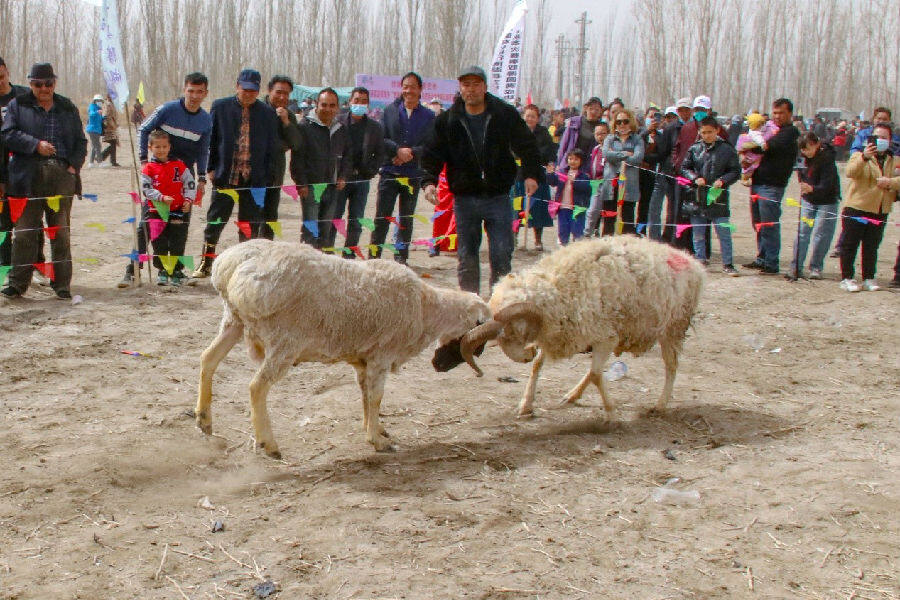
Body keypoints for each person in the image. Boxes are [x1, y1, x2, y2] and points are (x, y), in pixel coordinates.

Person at [421, 65, 540, 294]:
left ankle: (499, 304)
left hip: (498, 197)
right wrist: (428, 182)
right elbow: (432, 153)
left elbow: (527, 145)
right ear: (460, 88)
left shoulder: (504, 115)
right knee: (466, 258)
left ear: (485, 87)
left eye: (476, 84)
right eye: (466, 84)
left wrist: (532, 174)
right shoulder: (448, 120)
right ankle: (470, 308)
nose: (471, 89)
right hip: (465, 199)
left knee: (502, 254)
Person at [0, 63, 86, 300]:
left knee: (60, 232)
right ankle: (17, 284)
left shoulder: (67, 106)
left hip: (61, 178)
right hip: (26, 179)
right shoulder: (18, 105)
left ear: (54, 83)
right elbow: (7, 135)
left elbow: (81, 141)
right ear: (30, 83)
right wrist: (35, 145)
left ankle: (61, 285)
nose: (44, 88)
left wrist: (72, 166)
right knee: (26, 232)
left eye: (48, 83)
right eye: (38, 84)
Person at [119, 72, 212, 287]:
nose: (194, 96)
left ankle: (176, 270)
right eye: (191, 91)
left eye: (199, 92)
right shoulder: (167, 110)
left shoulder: (206, 120)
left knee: (180, 227)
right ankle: (133, 270)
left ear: (205, 94)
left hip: (183, 177)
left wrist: (201, 179)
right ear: (184, 90)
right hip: (158, 174)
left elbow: (204, 150)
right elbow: (144, 129)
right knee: (146, 226)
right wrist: (144, 159)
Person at [192, 69, 278, 277]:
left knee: (247, 224)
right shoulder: (220, 107)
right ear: (237, 86)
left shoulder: (267, 113)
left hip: (253, 178)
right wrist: (210, 169)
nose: (248, 93)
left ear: (258, 91)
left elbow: (271, 148)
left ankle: (244, 264)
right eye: (244, 88)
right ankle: (206, 262)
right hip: (225, 175)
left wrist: (266, 176)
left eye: (253, 90)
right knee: (215, 220)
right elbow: (211, 140)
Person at [369, 71, 435, 264]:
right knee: (382, 217)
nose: (409, 90)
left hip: (412, 175)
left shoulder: (429, 116)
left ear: (420, 89)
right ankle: (375, 256)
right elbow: (381, 138)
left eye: (413, 86)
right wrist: (396, 151)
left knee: (406, 219)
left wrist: (410, 153)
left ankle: (401, 258)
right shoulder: (389, 111)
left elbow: (430, 145)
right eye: (405, 86)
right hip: (389, 173)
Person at [837, 123, 899, 292]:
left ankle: (869, 277)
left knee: (872, 246)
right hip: (857, 207)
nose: (880, 140)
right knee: (850, 244)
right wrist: (864, 157)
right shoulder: (859, 155)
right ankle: (847, 277)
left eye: (884, 137)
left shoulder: (894, 159)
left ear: (890, 140)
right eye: (877, 137)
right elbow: (850, 172)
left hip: (880, 209)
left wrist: (891, 182)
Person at [679, 116, 741, 276]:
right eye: (703, 132)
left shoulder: (727, 149)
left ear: (717, 130)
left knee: (723, 232)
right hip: (697, 197)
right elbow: (684, 167)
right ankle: (700, 260)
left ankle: (728, 263)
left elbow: (735, 171)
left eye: (710, 132)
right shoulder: (694, 149)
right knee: (698, 233)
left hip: (718, 198)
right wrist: (694, 178)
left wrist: (723, 180)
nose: (706, 135)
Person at [744, 98, 799, 275]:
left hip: (772, 185)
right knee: (758, 223)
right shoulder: (768, 128)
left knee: (769, 224)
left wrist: (752, 144)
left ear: (789, 113)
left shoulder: (789, 132)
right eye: (774, 113)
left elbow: (765, 147)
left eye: (781, 113)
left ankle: (771, 262)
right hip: (758, 182)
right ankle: (762, 257)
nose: (777, 116)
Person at [293, 87, 351, 250]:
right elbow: (298, 158)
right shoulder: (305, 126)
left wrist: (343, 176)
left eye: (332, 105)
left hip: (332, 188)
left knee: (326, 229)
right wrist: (301, 183)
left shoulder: (341, 128)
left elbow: (348, 156)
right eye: (324, 105)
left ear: (337, 107)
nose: (328, 109)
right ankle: (308, 265)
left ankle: (322, 265)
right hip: (311, 188)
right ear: (316, 105)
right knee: (311, 230)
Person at [328, 86, 384, 253]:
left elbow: (380, 154)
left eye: (364, 101)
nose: (360, 104)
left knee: (356, 221)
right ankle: (328, 253)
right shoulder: (338, 122)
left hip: (361, 180)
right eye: (357, 100)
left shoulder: (375, 127)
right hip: (340, 180)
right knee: (334, 218)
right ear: (350, 102)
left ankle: (349, 255)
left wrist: (371, 171)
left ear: (368, 105)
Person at [141, 129, 196, 286]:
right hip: (156, 211)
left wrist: (188, 200)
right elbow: (146, 189)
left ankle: (177, 271)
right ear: (150, 148)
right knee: (159, 242)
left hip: (178, 210)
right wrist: (161, 197)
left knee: (178, 241)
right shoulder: (148, 168)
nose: (161, 150)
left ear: (169, 147)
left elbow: (190, 183)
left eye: (164, 146)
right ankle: (163, 271)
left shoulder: (179, 165)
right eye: (157, 147)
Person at [787, 132, 840, 281]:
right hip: (808, 199)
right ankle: (796, 266)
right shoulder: (801, 157)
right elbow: (801, 173)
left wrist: (814, 188)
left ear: (816, 144)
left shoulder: (827, 157)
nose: (805, 152)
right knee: (802, 232)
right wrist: (804, 186)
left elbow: (829, 182)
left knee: (821, 234)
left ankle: (816, 266)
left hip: (827, 200)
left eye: (808, 149)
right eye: (803, 150)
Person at [586, 109, 644, 236]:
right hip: (610, 184)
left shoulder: (637, 139)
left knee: (627, 218)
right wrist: (626, 154)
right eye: (619, 122)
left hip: (629, 184)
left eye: (625, 121)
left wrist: (617, 155)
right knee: (609, 219)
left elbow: (637, 158)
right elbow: (607, 154)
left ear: (631, 122)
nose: (622, 124)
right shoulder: (610, 139)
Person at [648, 98, 692, 242]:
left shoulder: (695, 127)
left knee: (684, 209)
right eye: (681, 110)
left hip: (690, 174)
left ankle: (683, 240)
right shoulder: (671, 128)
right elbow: (663, 151)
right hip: (670, 174)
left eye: (687, 110)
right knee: (671, 209)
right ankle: (668, 239)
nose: (684, 113)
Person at [0, 55, 29, 271]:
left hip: (23, 165)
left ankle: (33, 262)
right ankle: (5, 262)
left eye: (1, 77)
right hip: (1, 168)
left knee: (29, 218)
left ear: (7, 72)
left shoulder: (22, 96)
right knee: (3, 220)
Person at [264, 75, 301, 241]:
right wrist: (279, 145)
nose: (282, 97)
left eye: (286, 94)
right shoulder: (257, 110)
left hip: (275, 175)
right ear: (269, 91)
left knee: (270, 218)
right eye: (278, 92)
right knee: (250, 219)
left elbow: (295, 143)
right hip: (253, 175)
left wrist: (285, 121)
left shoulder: (290, 116)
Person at [518, 103, 554, 250]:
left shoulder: (544, 133)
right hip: (519, 174)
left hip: (538, 175)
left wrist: (533, 157)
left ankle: (538, 240)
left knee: (538, 208)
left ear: (538, 118)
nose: (530, 119)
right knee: (517, 208)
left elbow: (547, 152)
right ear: (523, 117)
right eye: (527, 116)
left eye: (533, 116)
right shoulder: (517, 132)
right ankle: (514, 237)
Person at [546, 148, 591, 245]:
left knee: (577, 231)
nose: (572, 161)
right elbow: (553, 183)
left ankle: (576, 251)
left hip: (577, 209)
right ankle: (563, 247)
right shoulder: (562, 172)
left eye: (576, 159)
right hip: (563, 207)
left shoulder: (584, 176)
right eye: (570, 159)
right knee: (563, 230)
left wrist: (574, 181)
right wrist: (550, 174)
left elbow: (586, 189)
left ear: (581, 161)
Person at [556, 96, 602, 166]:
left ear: (600, 111)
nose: (593, 112)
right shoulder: (574, 122)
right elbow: (564, 144)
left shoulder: (601, 127)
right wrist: (559, 163)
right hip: (570, 162)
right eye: (591, 109)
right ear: (586, 108)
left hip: (587, 165)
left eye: (596, 110)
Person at [736, 112, 778, 185]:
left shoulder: (756, 131)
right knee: (749, 166)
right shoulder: (755, 133)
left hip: (755, 157)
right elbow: (759, 140)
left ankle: (746, 179)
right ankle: (745, 179)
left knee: (750, 167)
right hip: (752, 155)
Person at [99, 94, 120, 166]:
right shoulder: (107, 105)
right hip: (109, 127)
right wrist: (109, 124)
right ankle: (102, 156)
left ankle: (112, 161)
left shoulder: (111, 104)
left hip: (112, 126)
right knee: (113, 143)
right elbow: (105, 116)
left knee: (113, 143)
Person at [86, 94, 104, 166]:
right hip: (92, 129)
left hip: (97, 130)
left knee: (94, 146)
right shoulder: (92, 107)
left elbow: (99, 119)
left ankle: (91, 163)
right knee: (98, 146)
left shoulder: (99, 108)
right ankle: (100, 162)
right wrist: (97, 112)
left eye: (101, 101)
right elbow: (91, 114)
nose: (100, 102)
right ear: (95, 101)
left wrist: (104, 117)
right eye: (98, 100)